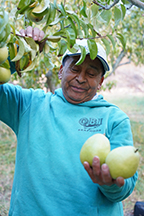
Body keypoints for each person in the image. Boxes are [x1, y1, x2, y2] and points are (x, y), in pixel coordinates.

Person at [0, 26, 138, 216]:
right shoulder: (28, 105)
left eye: (91, 74)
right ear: (60, 71)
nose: (81, 79)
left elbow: (125, 186)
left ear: (100, 82)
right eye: (75, 69)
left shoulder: (114, 118)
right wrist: (20, 51)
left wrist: (111, 183)